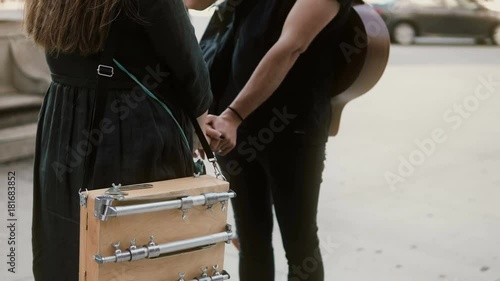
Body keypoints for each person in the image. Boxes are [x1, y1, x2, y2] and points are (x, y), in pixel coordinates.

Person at [24, 0, 220, 280]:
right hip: (130, 127)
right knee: (137, 250)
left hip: (64, 122)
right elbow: (188, 64)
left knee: (68, 239)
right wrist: (201, 120)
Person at [185, 0, 353, 280]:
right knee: (251, 240)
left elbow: (290, 47)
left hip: (292, 132)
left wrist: (233, 115)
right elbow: (192, 3)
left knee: (300, 243)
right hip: (235, 133)